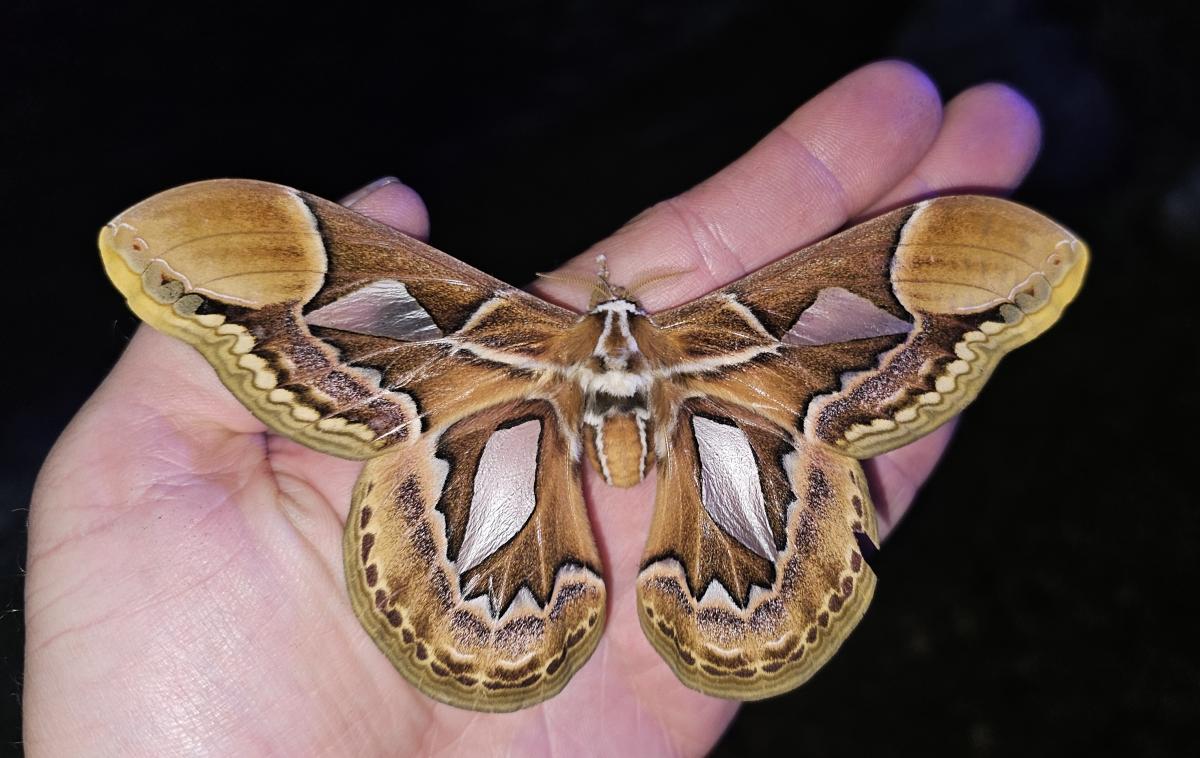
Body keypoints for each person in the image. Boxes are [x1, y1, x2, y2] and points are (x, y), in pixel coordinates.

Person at [24, 61, 1041, 755]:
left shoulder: (480, 331)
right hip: (719, 415)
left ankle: (663, 591)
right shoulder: (740, 330)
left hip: (520, 418)